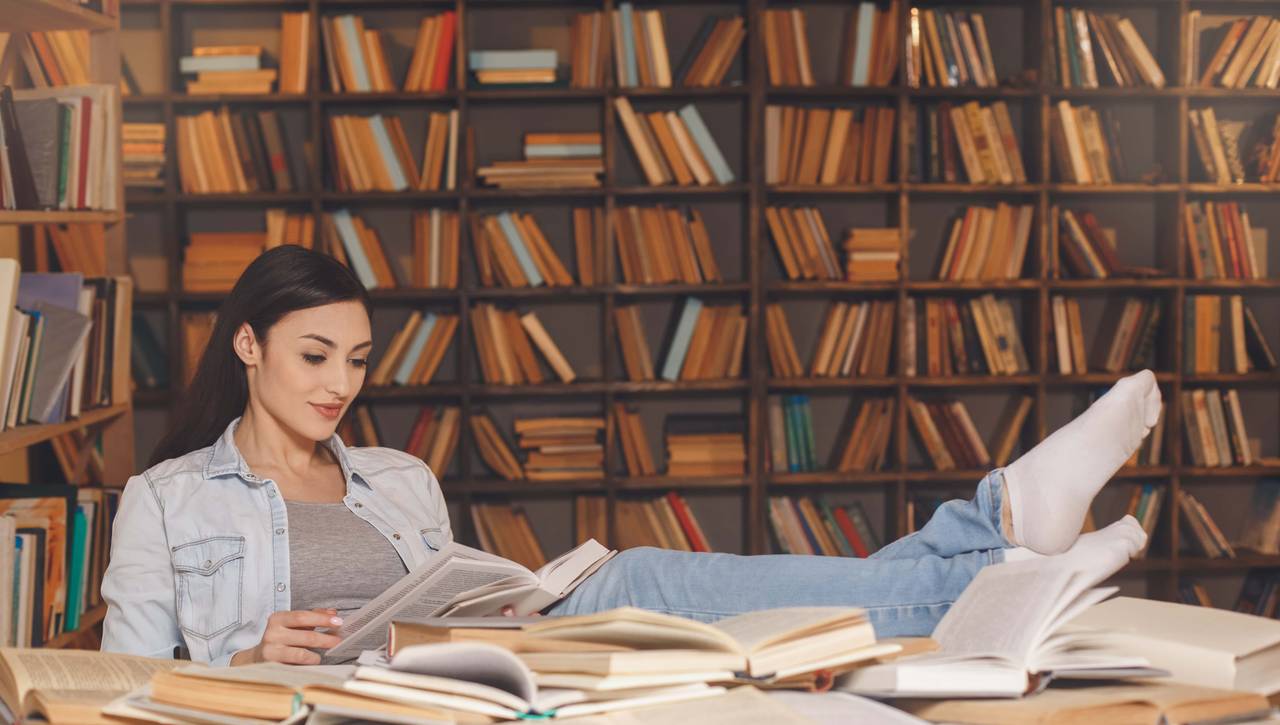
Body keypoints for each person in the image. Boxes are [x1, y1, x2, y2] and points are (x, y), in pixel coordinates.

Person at [100, 246, 1157, 667]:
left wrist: (513, 595)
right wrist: (239, 663)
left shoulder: (395, 476)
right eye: (313, 355)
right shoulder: (168, 499)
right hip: (363, 696)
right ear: (247, 345)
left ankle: (1001, 531)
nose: (338, 384)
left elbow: (455, 594)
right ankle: (995, 535)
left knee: (648, 573)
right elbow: (122, 688)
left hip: (487, 659)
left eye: (359, 360)